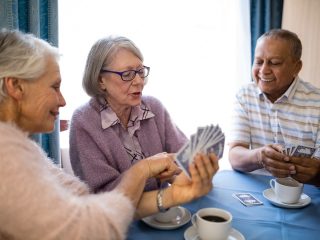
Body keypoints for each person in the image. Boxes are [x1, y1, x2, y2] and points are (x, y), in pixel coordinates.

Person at [0, 29, 219, 239]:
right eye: (55, 87)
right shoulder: (7, 154)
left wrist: (179, 186)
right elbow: (93, 217)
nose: (62, 100)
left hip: (158, 218)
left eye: (141, 72)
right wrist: (145, 169)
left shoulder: (24, 149)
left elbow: (85, 202)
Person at [69, 36, 188, 192]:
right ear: (100, 80)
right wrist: (148, 169)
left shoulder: (153, 107)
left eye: (140, 71)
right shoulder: (84, 122)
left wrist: (184, 166)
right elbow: (105, 196)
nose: (139, 81)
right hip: (117, 215)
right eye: (127, 74)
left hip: (163, 213)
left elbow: (186, 156)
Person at [228, 29, 320, 186]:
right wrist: (259, 156)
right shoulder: (245, 95)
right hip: (257, 191)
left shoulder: (317, 102)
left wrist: (315, 174)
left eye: (275, 63)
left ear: (296, 67)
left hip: (306, 196)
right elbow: (235, 155)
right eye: (258, 61)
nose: (263, 70)